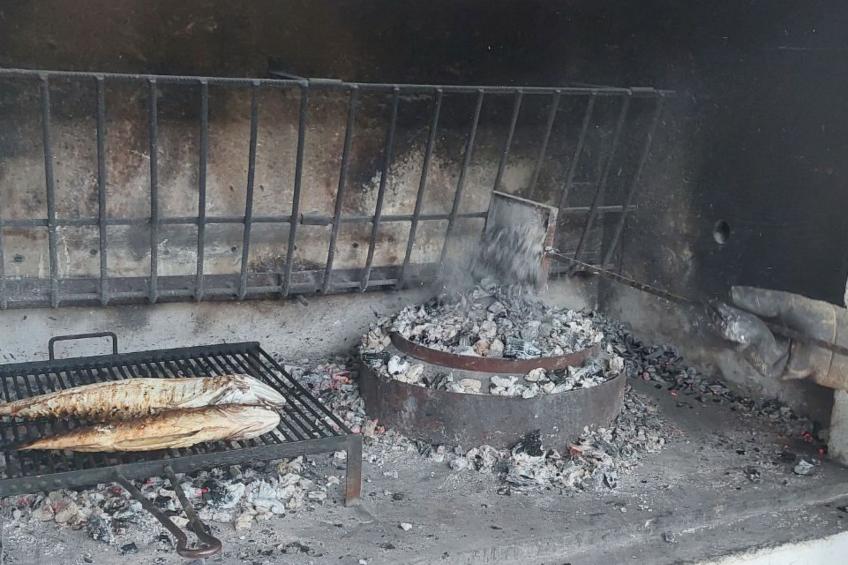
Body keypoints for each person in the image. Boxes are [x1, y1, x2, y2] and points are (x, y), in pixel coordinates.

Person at [714, 286, 848, 464]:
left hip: (830, 329)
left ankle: (728, 301)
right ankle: (734, 318)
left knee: (772, 314)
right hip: (831, 330)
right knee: (771, 353)